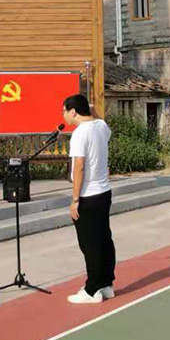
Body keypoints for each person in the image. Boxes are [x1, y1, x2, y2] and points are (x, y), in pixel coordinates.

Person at [62, 94, 116, 304]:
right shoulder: (100, 126)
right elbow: (102, 124)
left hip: (88, 196)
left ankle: (92, 289)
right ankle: (106, 284)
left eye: (64, 111)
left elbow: (79, 167)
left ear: (73, 111)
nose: (64, 115)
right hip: (104, 193)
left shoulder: (79, 133)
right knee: (104, 239)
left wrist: (75, 199)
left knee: (90, 244)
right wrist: (92, 110)